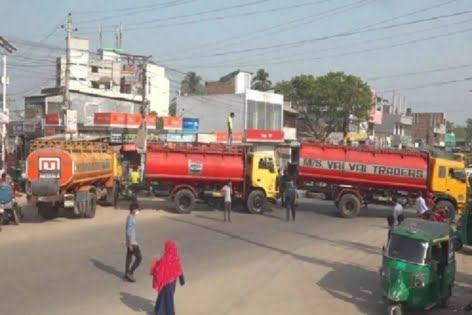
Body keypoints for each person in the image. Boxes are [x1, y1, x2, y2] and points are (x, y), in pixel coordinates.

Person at [150, 240, 185, 315]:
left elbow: (159, 269)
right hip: (172, 283)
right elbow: (179, 269)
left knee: (163, 297)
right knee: (169, 297)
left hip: (164, 283)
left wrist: (155, 265)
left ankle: (160, 312)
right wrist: (182, 280)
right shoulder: (176, 258)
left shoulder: (165, 258)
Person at [125, 203, 142, 282]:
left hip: (131, 242)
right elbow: (128, 232)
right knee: (139, 258)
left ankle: (127, 273)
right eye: (136, 210)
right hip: (132, 242)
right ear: (133, 210)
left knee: (129, 258)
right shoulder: (130, 218)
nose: (137, 211)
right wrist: (130, 244)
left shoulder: (130, 217)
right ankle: (130, 273)